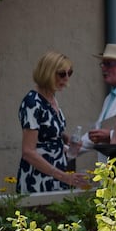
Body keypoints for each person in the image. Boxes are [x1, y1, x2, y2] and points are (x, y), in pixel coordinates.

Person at [17, 50, 86, 193]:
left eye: (69, 73)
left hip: (56, 177)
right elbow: (28, 151)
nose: (66, 78)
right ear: (47, 73)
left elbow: (48, 137)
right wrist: (64, 177)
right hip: (38, 180)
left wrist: (67, 143)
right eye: (62, 74)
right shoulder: (32, 102)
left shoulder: (52, 99)